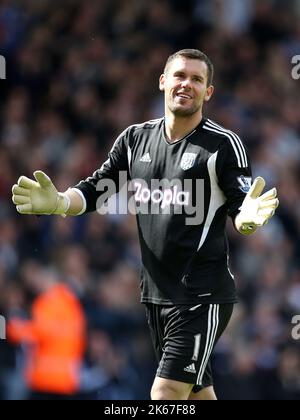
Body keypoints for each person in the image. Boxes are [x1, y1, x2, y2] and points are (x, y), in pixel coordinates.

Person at [12, 49, 279, 400]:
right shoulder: (135, 139)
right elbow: (96, 190)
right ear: (162, 81)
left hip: (201, 294)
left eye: (197, 79)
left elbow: (242, 204)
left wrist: (247, 219)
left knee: (165, 391)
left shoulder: (222, 145)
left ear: (208, 92)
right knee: (198, 394)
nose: (187, 84)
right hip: (156, 295)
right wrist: (61, 201)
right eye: (180, 75)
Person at [7, 264, 86, 400]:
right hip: (66, 376)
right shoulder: (71, 302)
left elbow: (39, 331)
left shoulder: (48, 302)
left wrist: (12, 327)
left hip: (46, 377)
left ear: (49, 279)